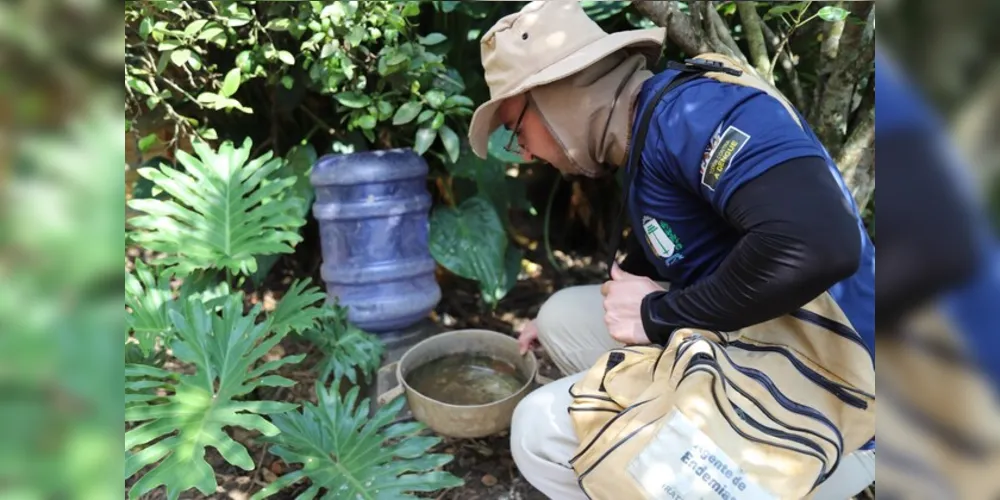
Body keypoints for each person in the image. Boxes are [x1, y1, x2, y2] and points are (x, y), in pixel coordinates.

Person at [467, 1, 875, 499]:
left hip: (834, 391)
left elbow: (820, 243)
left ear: (559, 94)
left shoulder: (698, 115)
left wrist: (655, 315)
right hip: (757, 344)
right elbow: (675, 238)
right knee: (560, 318)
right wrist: (647, 304)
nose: (525, 152)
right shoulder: (644, 133)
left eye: (517, 130)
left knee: (538, 428)